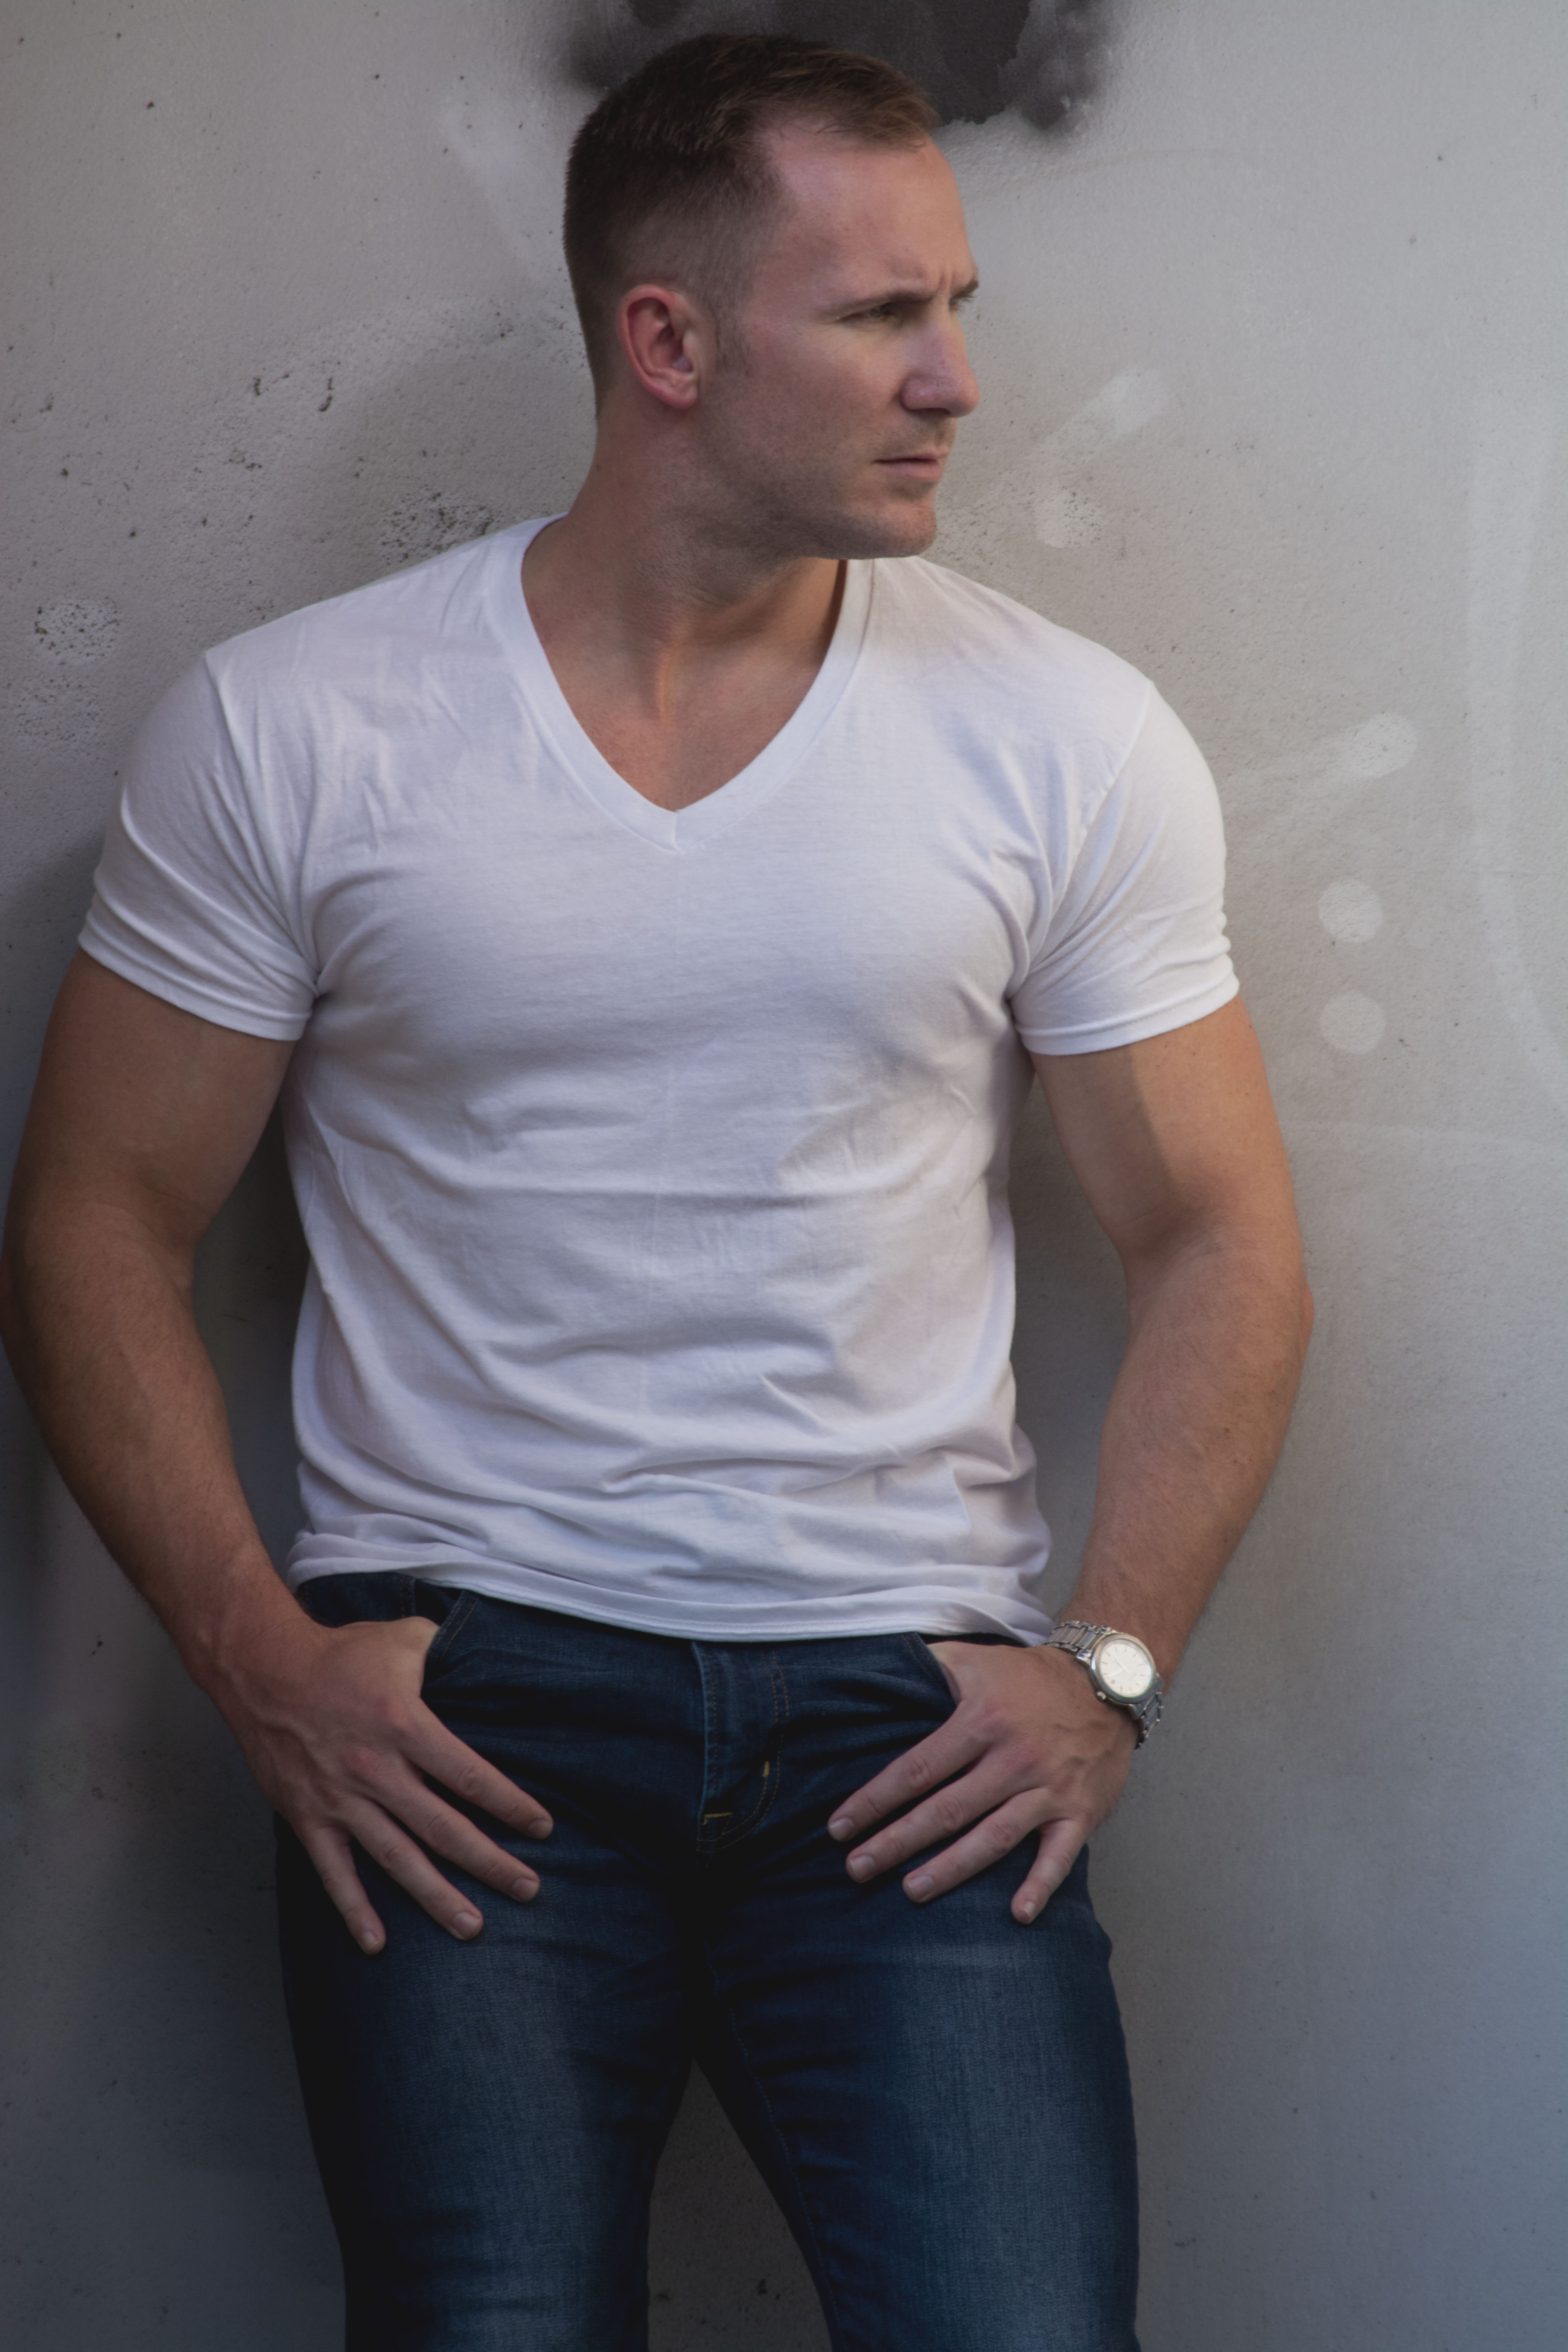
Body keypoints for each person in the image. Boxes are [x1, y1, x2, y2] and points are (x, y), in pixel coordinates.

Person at [0, 33, 1310, 2352]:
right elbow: (96, 1211)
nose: (958, 379)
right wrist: (259, 1664)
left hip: (909, 1724)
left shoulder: (1064, 735)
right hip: (465, 1717)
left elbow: (1218, 1234)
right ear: (670, 342)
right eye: (884, 314)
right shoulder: (302, 727)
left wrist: (1108, 1671)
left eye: (957, 305)